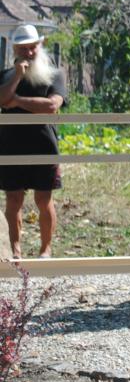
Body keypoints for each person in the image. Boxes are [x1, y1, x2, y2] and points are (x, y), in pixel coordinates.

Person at [0, 24, 65, 259]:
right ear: (15, 49)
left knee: (43, 200)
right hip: (10, 146)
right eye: (23, 49)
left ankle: (45, 250)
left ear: (40, 46)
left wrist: (15, 101)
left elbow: (51, 106)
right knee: (13, 199)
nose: (28, 53)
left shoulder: (55, 75)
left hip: (44, 146)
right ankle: (15, 251)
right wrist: (17, 75)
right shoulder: (6, 75)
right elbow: (1, 98)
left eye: (32, 48)